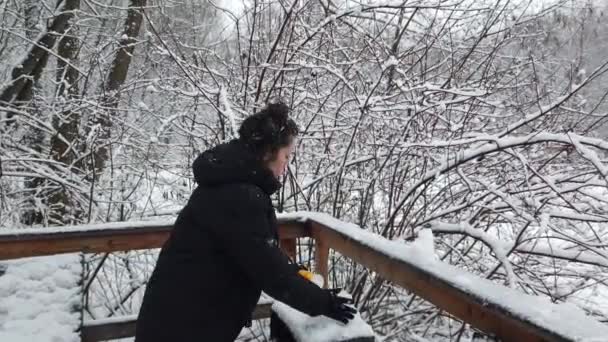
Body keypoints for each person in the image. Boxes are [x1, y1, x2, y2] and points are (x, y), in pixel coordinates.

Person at [135, 103, 356, 341]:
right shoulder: (240, 196)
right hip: (183, 326)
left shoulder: (231, 183)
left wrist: (301, 279)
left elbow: (258, 254)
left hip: (178, 316)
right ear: (268, 152)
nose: (286, 166)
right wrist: (323, 302)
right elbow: (269, 271)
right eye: (286, 156)